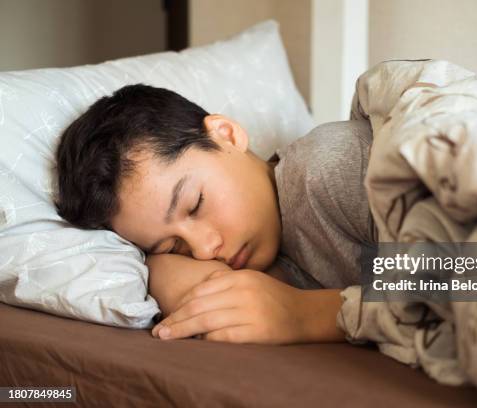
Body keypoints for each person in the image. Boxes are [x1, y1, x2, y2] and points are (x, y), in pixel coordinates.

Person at [54, 84, 376, 344]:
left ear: (227, 134)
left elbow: (427, 272)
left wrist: (305, 314)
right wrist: (160, 263)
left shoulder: (327, 169)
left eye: (195, 205)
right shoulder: (268, 261)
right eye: (172, 245)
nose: (204, 250)